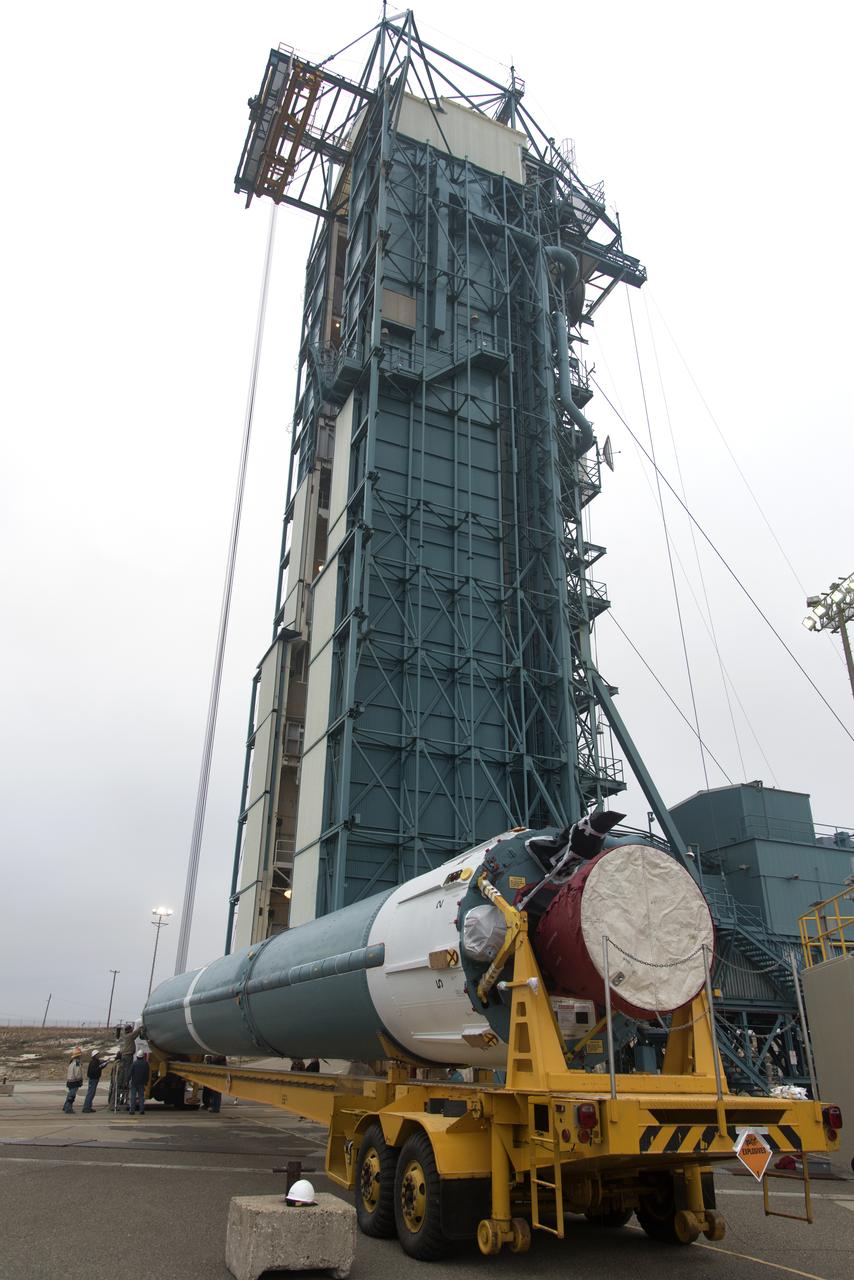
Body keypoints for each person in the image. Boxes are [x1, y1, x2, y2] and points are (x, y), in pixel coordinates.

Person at [128, 1049, 149, 1116]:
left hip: (134, 1083)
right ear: (143, 1056)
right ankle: (141, 1110)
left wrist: (127, 1080)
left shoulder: (134, 1063)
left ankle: (132, 1110)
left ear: (137, 1056)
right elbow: (147, 1074)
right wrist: (146, 1081)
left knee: (133, 1097)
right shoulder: (146, 1064)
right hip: (142, 1083)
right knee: (141, 1097)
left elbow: (130, 1073)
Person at [63, 1047, 84, 1113]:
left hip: (69, 1081)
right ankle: (68, 1108)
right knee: (72, 1096)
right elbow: (77, 1073)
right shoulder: (77, 1063)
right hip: (74, 1082)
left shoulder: (71, 1062)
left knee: (69, 1095)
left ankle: (65, 1106)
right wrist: (80, 1080)